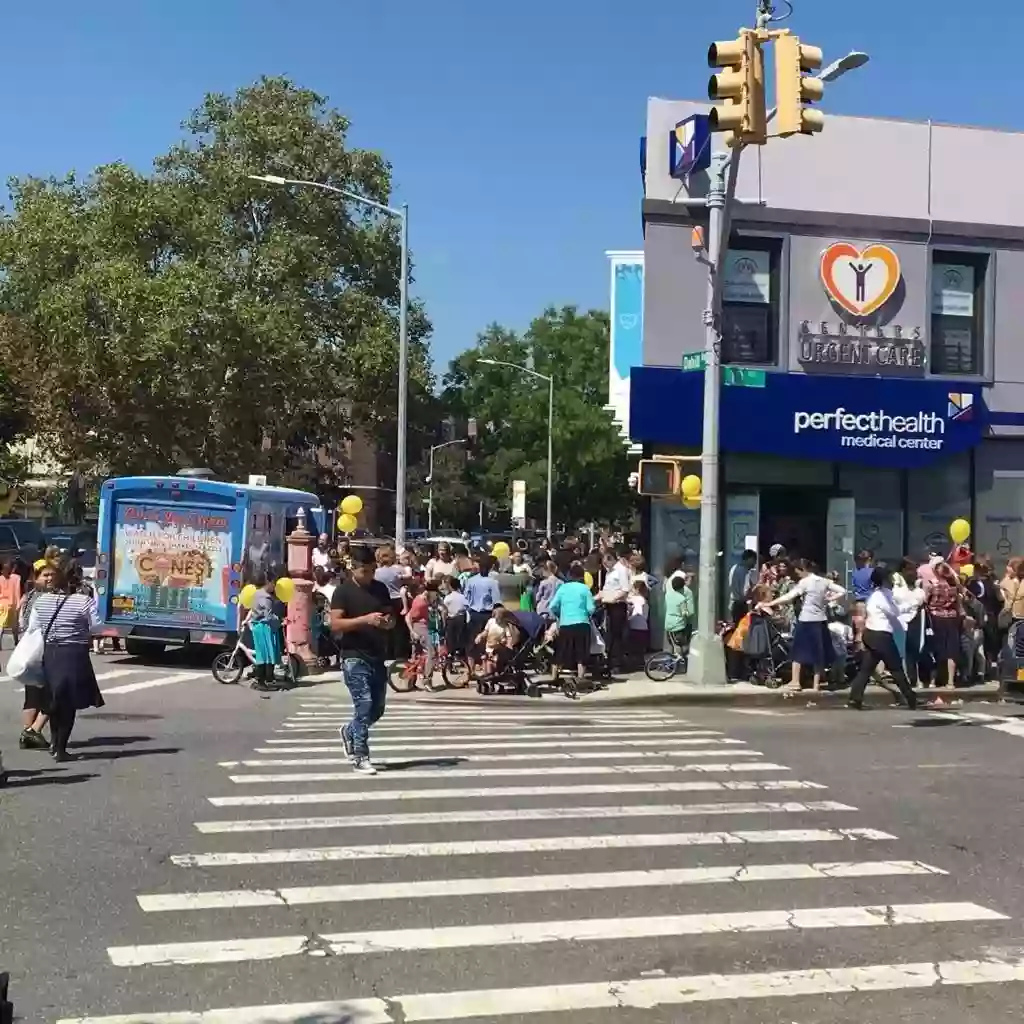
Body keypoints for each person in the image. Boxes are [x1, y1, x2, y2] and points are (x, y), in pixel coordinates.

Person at [28, 559, 104, 761]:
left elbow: (32, 627)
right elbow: (97, 627)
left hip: (50, 653)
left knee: (54, 700)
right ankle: (60, 749)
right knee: (68, 703)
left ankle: (54, 745)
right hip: (74, 654)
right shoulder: (84, 601)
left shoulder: (41, 601)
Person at [330, 545, 395, 775]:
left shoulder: (380, 589)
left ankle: (350, 731)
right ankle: (360, 755)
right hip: (353, 655)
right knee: (364, 705)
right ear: (354, 569)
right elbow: (335, 623)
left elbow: (391, 617)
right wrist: (365, 620)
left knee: (376, 710)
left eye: (372, 571)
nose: (369, 576)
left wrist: (387, 622)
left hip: (377, 654)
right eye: (364, 572)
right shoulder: (343, 591)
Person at [756, 559, 846, 693]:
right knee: (818, 653)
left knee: (797, 652)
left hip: (806, 620)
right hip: (821, 620)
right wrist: (828, 600)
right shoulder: (823, 581)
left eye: (798, 572)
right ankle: (816, 685)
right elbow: (842, 590)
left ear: (803, 569)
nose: (797, 575)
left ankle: (795, 681)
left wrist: (768, 604)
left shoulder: (805, 582)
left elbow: (788, 596)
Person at [847, 567, 918, 710]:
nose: (892, 581)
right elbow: (894, 612)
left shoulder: (883, 594)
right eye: (889, 578)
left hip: (874, 635)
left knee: (866, 669)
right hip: (880, 635)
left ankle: (855, 698)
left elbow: (895, 603)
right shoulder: (879, 596)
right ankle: (911, 697)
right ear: (884, 580)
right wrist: (912, 604)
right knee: (896, 668)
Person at [17, 564, 51, 750]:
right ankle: (32, 731)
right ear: (36, 576)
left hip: (31, 649)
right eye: (44, 575)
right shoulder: (42, 597)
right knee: (47, 693)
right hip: (40, 650)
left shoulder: (31, 595)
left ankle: (27, 733)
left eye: (50, 575)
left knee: (33, 694)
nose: (48, 579)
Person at [548, 562, 596, 686]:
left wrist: (560, 615)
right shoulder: (585, 589)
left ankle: (554, 678)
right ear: (581, 577)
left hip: (565, 624)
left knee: (560, 651)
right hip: (582, 624)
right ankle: (580, 679)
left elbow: (552, 606)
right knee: (581, 653)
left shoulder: (563, 588)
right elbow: (591, 608)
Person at [926, 560, 962, 690]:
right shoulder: (954, 586)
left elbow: (926, 603)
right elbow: (958, 603)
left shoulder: (933, 586)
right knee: (951, 650)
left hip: (936, 618)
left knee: (936, 649)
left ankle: (933, 681)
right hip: (952, 618)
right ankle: (951, 682)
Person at [464, 554, 501, 677]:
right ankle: (486, 669)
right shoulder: (493, 582)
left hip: (473, 614)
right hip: (486, 615)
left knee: (472, 642)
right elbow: (497, 602)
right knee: (487, 643)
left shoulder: (471, 581)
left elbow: (466, 599)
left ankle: (471, 669)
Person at [598, 546, 632, 672]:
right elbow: (607, 588)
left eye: (606, 561)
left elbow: (625, 589)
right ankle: (610, 660)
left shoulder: (621, 570)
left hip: (617, 605)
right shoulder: (610, 571)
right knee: (610, 633)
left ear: (611, 558)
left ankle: (617, 662)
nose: (604, 564)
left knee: (617, 634)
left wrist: (613, 598)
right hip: (609, 605)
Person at [374, 545, 410, 661]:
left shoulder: (376, 572)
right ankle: (400, 654)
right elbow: (409, 580)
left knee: (385, 628)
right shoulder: (399, 570)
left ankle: (387, 653)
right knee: (399, 629)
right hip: (398, 599)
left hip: (383, 600)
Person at [406, 580, 442, 686]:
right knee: (431, 653)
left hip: (420, 627)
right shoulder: (420, 603)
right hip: (419, 628)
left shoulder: (425, 599)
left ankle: (410, 682)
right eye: (435, 592)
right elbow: (409, 617)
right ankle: (427, 680)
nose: (437, 595)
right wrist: (412, 632)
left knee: (416, 655)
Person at [474, 604, 520, 676]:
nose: (498, 619)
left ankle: (497, 677)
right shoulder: (491, 621)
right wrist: (480, 636)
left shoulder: (505, 625)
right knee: (488, 670)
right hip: (489, 648)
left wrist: (509, 646)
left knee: (496, 669)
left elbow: (509, 637)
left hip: (499, 650)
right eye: (497, 617)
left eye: (500, 618)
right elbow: (486, 632)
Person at [663, 573, 695, 656]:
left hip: (668, 623)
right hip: (679, 625)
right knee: (683, 645)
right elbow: (688, 613)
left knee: (674, 644)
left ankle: (672, 662)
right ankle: (680, 662)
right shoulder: (684, 597)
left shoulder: (668, 595)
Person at [728, 550, 758, 624]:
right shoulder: (745, 572)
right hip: (741, 606)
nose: (755, 563)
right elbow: (745, 592)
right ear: (750, 559)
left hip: (733, 604)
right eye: (754, 560)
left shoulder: (734, 568)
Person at [442, 576, 469, 656]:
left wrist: (444, 623)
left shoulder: (448, 598)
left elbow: (444, 611)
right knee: (460, 638)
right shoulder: (463, 597)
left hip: (451, 619)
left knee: (450, 639)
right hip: (461, 618)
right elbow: (466, 608)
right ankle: (460, 654)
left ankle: (450, 655)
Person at [0, 558, 23, 651]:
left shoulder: (0, 578)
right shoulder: (17, 578)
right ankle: (16, 641)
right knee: (14, 625)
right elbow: (18, 591)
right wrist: (19, 604)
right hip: (13, 604)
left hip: (1, 604)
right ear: (13, 568)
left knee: (1, 625)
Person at [627, 579, 650, 666]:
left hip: (635, 626)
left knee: (634, 647)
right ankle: (640, 663)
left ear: (637, 589)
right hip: (643, 626)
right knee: (640, 648)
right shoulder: (644, 600)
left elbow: (627, 599)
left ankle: (635, 663)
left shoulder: (637, 599)